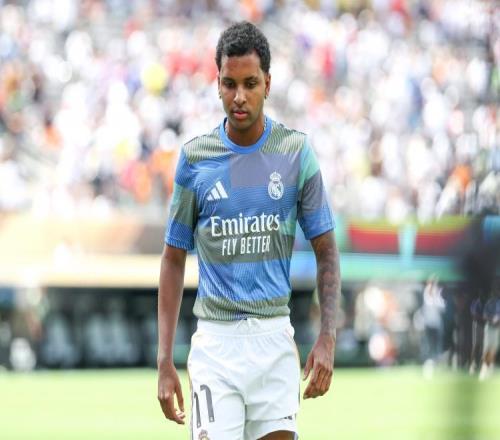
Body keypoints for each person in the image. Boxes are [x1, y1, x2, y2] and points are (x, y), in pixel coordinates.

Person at [157, 21, 340, 440]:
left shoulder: (295, 152)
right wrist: (164, 359)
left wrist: (327, 337)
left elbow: (327, 250)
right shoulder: (195, 159)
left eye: (250, 84)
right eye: (230, 84)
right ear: (217, 84)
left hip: (274, 340)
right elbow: (172, 258)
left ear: (268, 84)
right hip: (215, 347)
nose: (239, 96)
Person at [479, 285, 500, 381]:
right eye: (494, 292)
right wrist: (492, 319)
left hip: (497, 329)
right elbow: (484, 316)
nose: (496, 293)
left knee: (494, 348)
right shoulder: (489, 303)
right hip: (489, 328)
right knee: (487, 348)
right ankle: (484, 369)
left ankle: (490, 367)